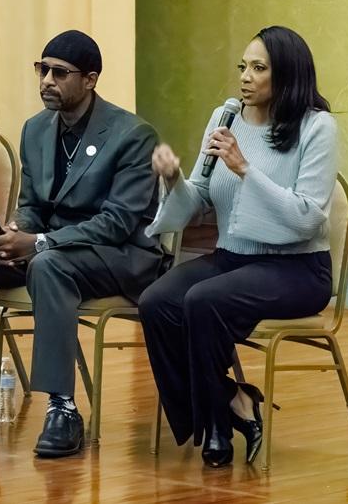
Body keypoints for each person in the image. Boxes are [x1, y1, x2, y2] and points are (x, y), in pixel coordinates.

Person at [0, 30, 163, 458]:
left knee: (48, 265)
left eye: (60, 73)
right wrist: (13, 234)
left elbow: (118, 222)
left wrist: (38, 242)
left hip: (118, 255)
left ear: (90, 79)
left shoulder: (132, 135)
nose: (46, 81)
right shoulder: (36, 129)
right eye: (42, 69)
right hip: (52, 247)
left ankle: (63, 408)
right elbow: (33, 204)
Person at [138, 26, 337, 468]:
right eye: (243, 67)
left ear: (286, 76)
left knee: (204, 300)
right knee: (156, 302)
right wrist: (173, 179)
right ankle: (232, 399)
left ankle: (215, 426)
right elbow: (201, 201)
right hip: (233, 258)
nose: (245, 77)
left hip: (297, 268)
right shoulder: (225, 116)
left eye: (259, 68)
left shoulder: (316, 127)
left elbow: (307, 215)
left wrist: (245, 168)